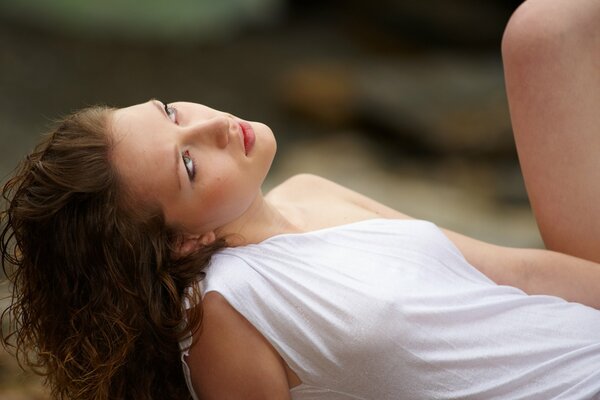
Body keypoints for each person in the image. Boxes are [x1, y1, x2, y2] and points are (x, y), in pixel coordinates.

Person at [1, 0, 599, 398]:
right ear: (185, 238)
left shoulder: (312, 192)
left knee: (543, 28)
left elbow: (516, 271)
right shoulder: (220, 315)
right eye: (188, 164)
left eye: (171, 112)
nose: (210, 127)